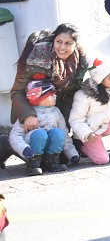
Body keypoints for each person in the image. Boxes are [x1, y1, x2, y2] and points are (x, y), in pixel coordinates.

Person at [9, 25, 88, 153]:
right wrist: (28, 115)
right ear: (53, 40)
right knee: (34, 145)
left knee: (59, 151)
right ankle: (8, 145)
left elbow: (72, 92)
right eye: (59, 42)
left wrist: (65, 126)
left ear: (75, 45)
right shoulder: (35, 58)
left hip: (56, 111)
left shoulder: (78, 60)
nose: (62, 47)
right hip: (32, 111)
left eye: (68, 43)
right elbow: (17, 91)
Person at [69, 57, 110, 165]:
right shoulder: (84, 95)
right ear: (100, 79)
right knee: (102, 160)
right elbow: (76, 119)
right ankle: (80, 146)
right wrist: (87, 134)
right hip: (90, 132)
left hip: (105, 125)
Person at [8, 81, 80, 176]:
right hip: (32, 150)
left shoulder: (56, 112)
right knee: (40, 134)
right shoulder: (29, 114)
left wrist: (72, 153)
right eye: (52, 95)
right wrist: (24, 148)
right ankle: (33, 164)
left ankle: (52, 162)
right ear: (41, 98)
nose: (55, 97)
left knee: (58, 133)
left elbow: (64, 134)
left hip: (50, 147)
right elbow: (15, 135)